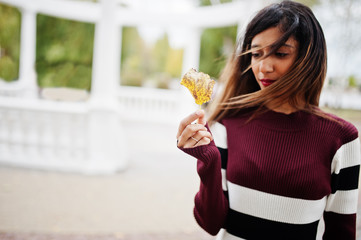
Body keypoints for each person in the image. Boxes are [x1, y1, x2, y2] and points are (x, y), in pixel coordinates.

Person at [176, 1, 360, 239]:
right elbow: (211, 224)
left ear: (309, 57)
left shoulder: (341, 139)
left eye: (281, 53)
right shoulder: (224, 125)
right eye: (256, 54)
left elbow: (341, 233)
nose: (263, 67)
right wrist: (208, 161)